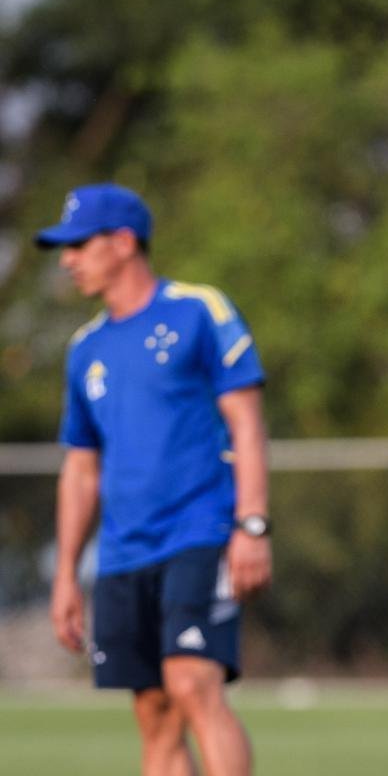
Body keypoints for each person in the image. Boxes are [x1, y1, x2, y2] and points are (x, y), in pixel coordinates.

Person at [39, 183, 272, 776]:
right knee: (155, 712)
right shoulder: (84, 348)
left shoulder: (199, 310)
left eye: (78, 245)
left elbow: (246, 424)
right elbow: (81, 467)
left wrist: (252, 525)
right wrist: (67, 572)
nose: (67, 259)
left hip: (199, 532)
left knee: (194, 686)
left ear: (122, 243)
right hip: (120, 554)